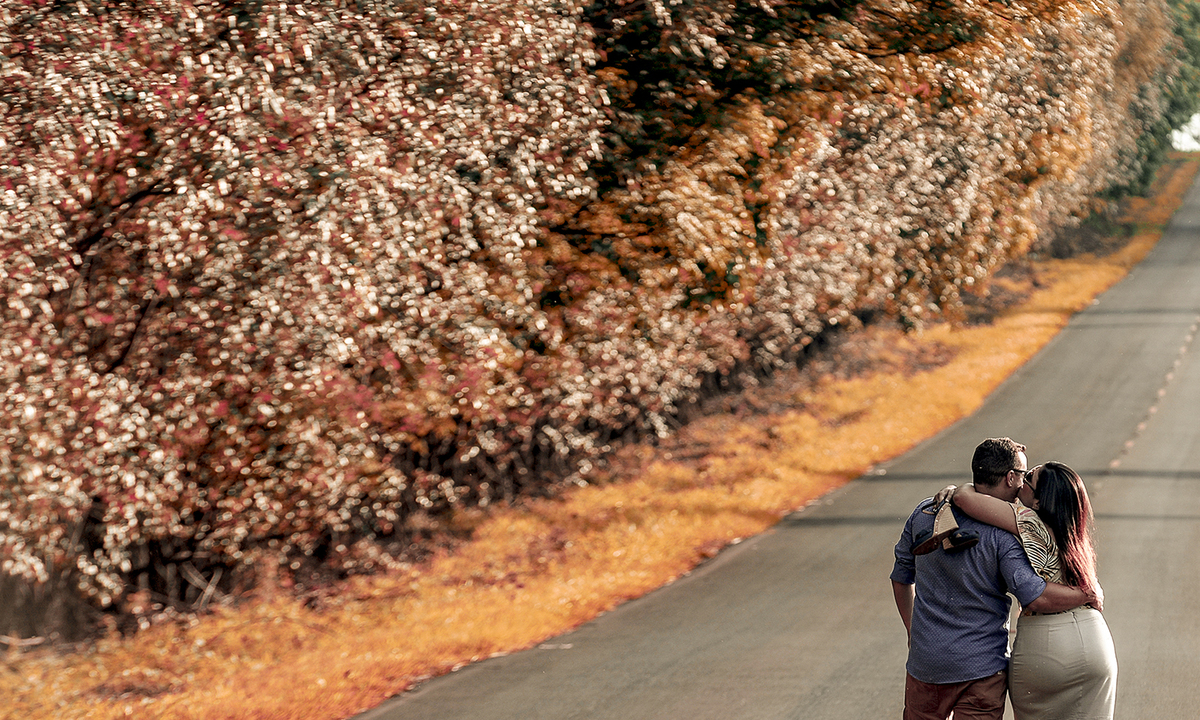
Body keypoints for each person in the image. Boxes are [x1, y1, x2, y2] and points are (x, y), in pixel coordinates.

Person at [891, 438, 1100, 720]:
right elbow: (1034, 594)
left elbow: (901, 576)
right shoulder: (1006, 535)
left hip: (926, 662)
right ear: (1010, 477)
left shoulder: (925, 512)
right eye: (1023, 476)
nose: (1023, 483)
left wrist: (912, 631)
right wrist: (1087, 593)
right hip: (982, 669)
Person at [932, 460, 1117, 719]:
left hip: (1049, 644)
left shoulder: (1029, 521)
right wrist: (1088, 593)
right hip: (1095, 640)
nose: (1021, 481)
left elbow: (964, 498)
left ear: (1040, 502)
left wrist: (956, 488)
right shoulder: (1076, 532)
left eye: (1029, 477)